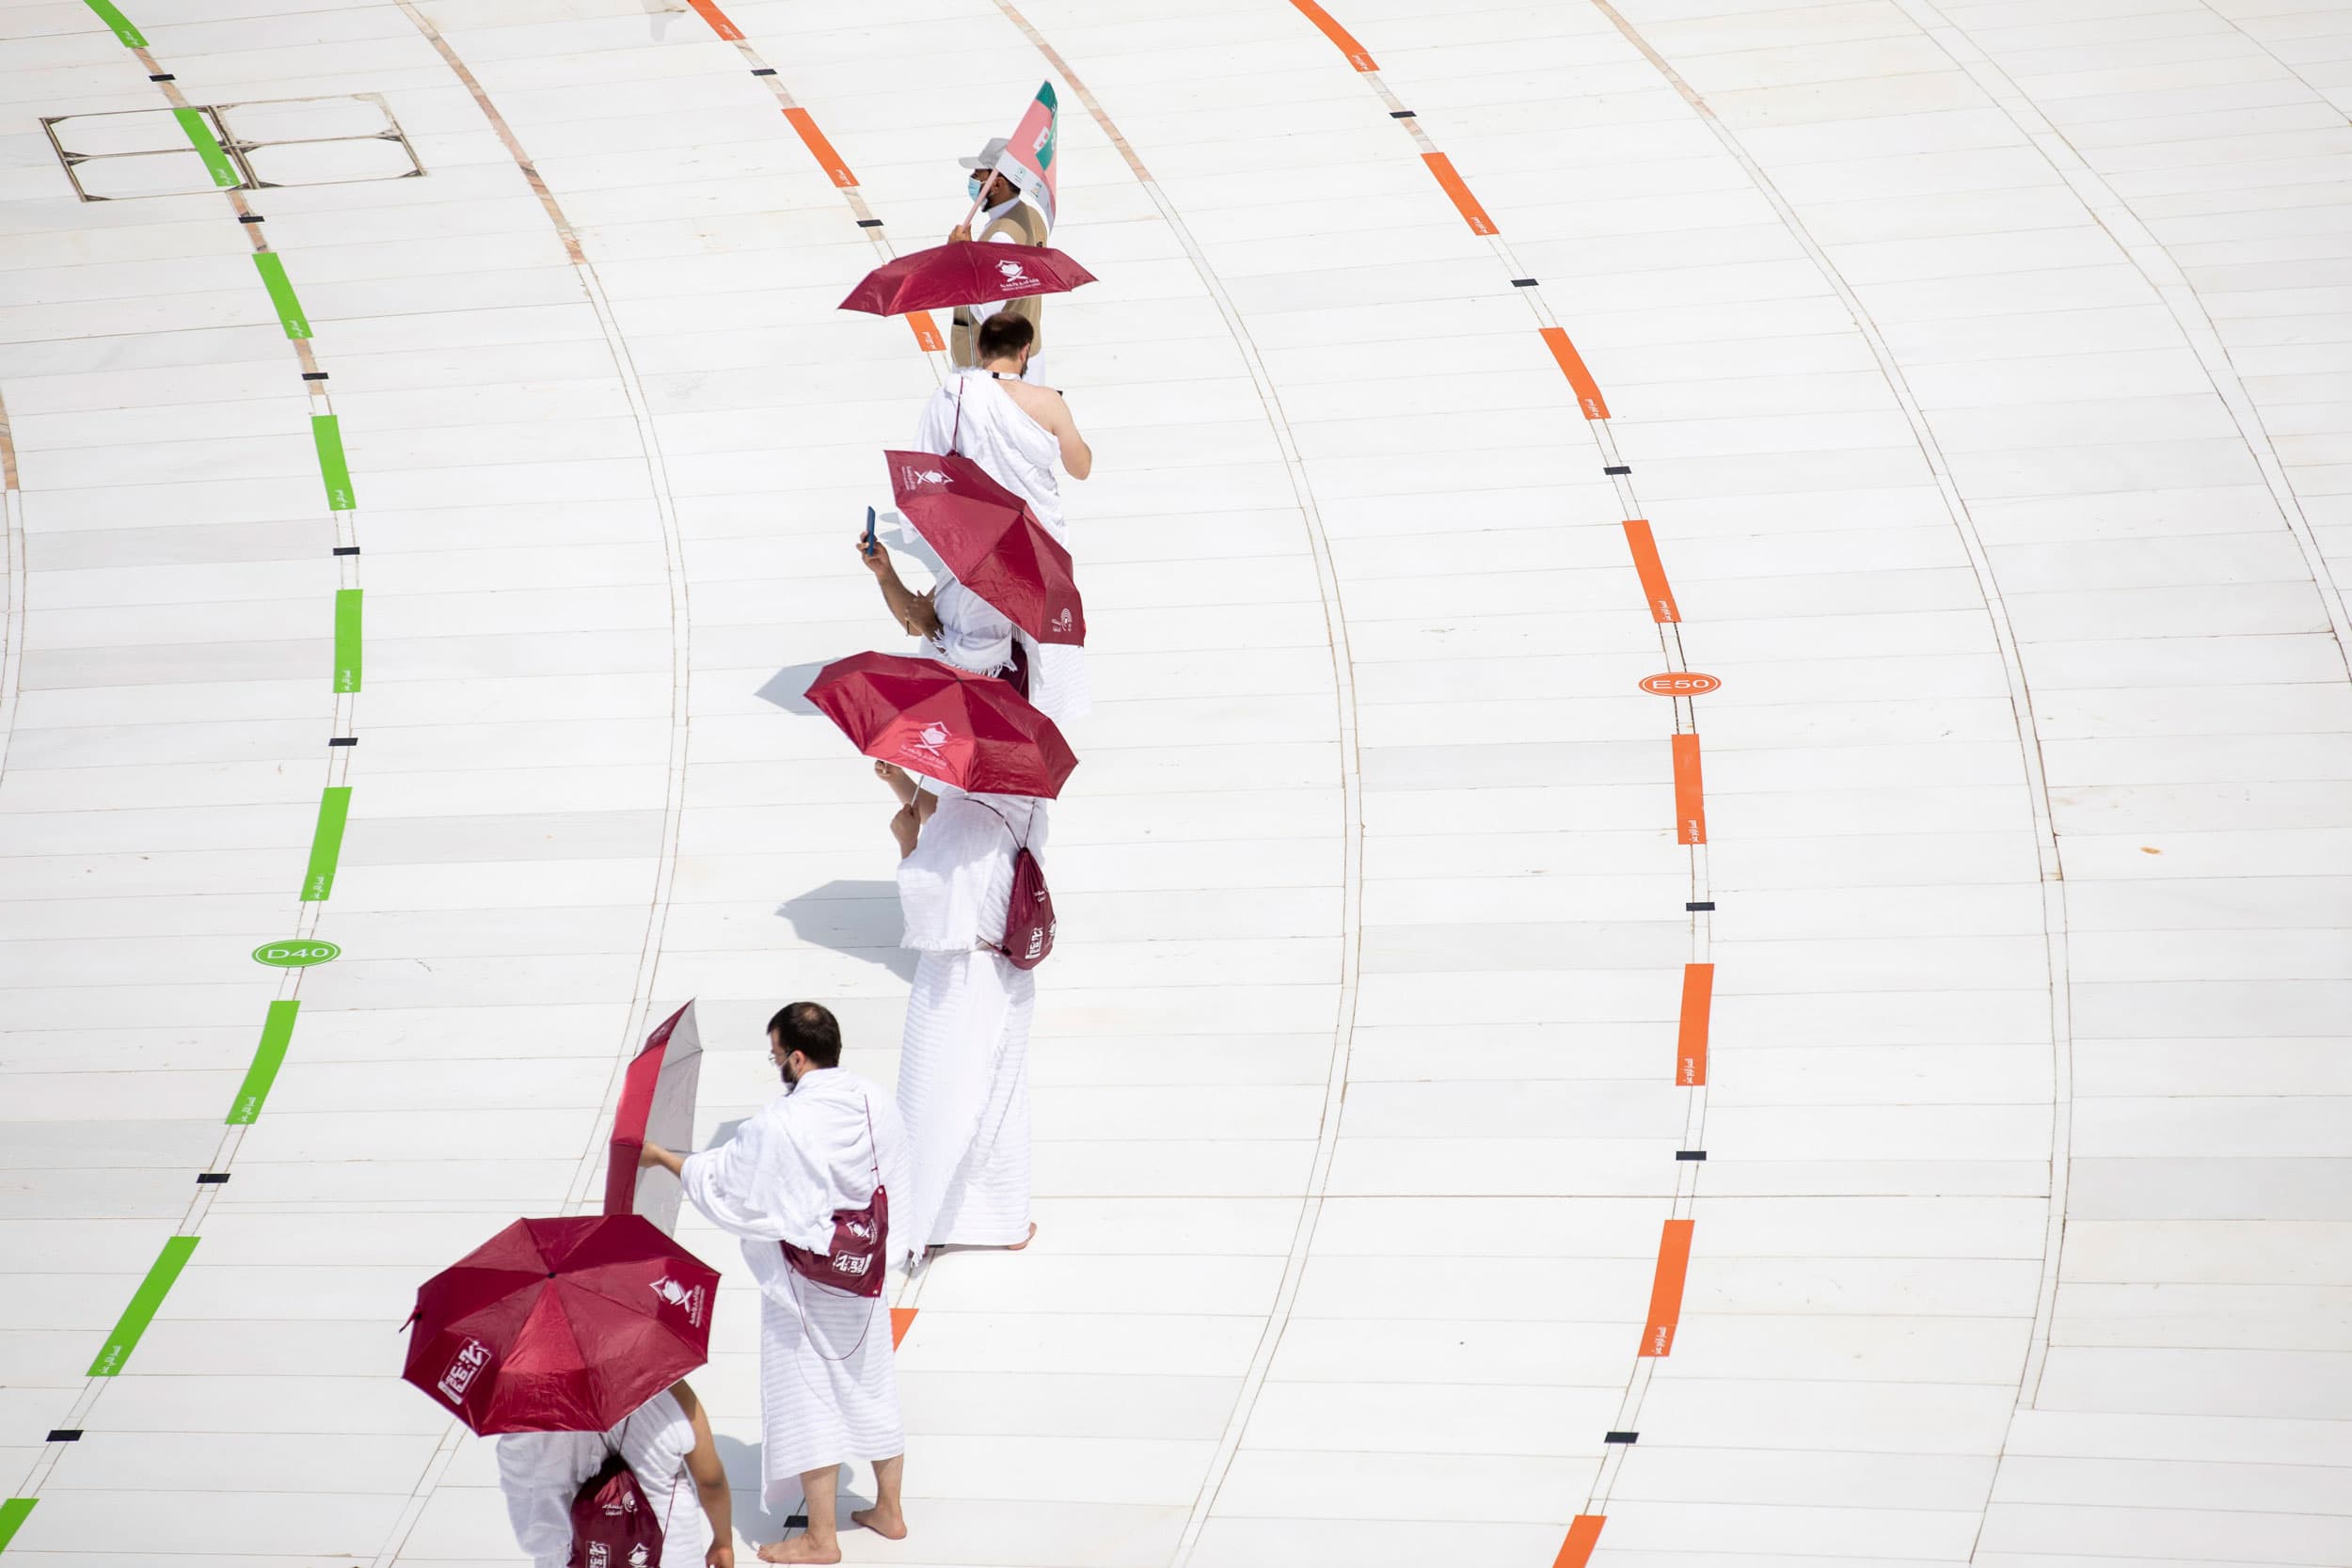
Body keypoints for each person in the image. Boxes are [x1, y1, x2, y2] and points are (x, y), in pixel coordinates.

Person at [638, 1004, 909, 1566]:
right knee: (871, 1380)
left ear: (798, 1057)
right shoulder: (872, 1099)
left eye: (776, 1055)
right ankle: (889, 1511)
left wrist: (664, 1158)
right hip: (866, 1266)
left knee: (807, 1396)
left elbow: (729, 1179)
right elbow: (898, 1173)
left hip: (807, 1281)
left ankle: (820, 1538)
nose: (776, 1065)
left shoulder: (781, 1122)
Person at [876, 760, 1043, 1264]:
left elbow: (931, 898)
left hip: (957, 976)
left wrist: (906, 840)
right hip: (1008, 971)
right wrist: (902, 786)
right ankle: (1006, 1220)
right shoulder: (1021, 794)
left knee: (936, 1097)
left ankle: (918, 1224)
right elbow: (952, 813)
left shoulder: (968, 819)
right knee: (1000, 1095)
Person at [912, 312, 1093, 723]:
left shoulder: (954, 394)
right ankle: (1034, 732)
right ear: (1025, 351)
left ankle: (974, 727)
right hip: (1038, 545)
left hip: (976, 545)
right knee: (1043, 650)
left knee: (973, 645)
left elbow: (926, 469)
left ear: (979, 350)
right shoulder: (1049, 402)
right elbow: (1080, 468)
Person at [495, 1378, 734, 1568]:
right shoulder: (673, 1391)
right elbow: (710, 1482)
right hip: (669, 1550)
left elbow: (528, 1495)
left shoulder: (527, 1408)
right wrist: (723, 1542)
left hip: (576, 1554)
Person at [856, 529, 1016, 686]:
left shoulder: (989, 581)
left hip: (963, 703)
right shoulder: (958, 568)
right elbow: (914, 625)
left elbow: (983, 662)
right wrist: (885, 572)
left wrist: (929, 625)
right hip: (938, 694)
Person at [947, 136, 1048, 372]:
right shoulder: (1031, 217)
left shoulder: (1002, 236)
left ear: (997, 184)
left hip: (993, 367)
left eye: (978, 174)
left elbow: (988, 311)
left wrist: (962, 256)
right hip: (1024, 354)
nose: (973, 179)